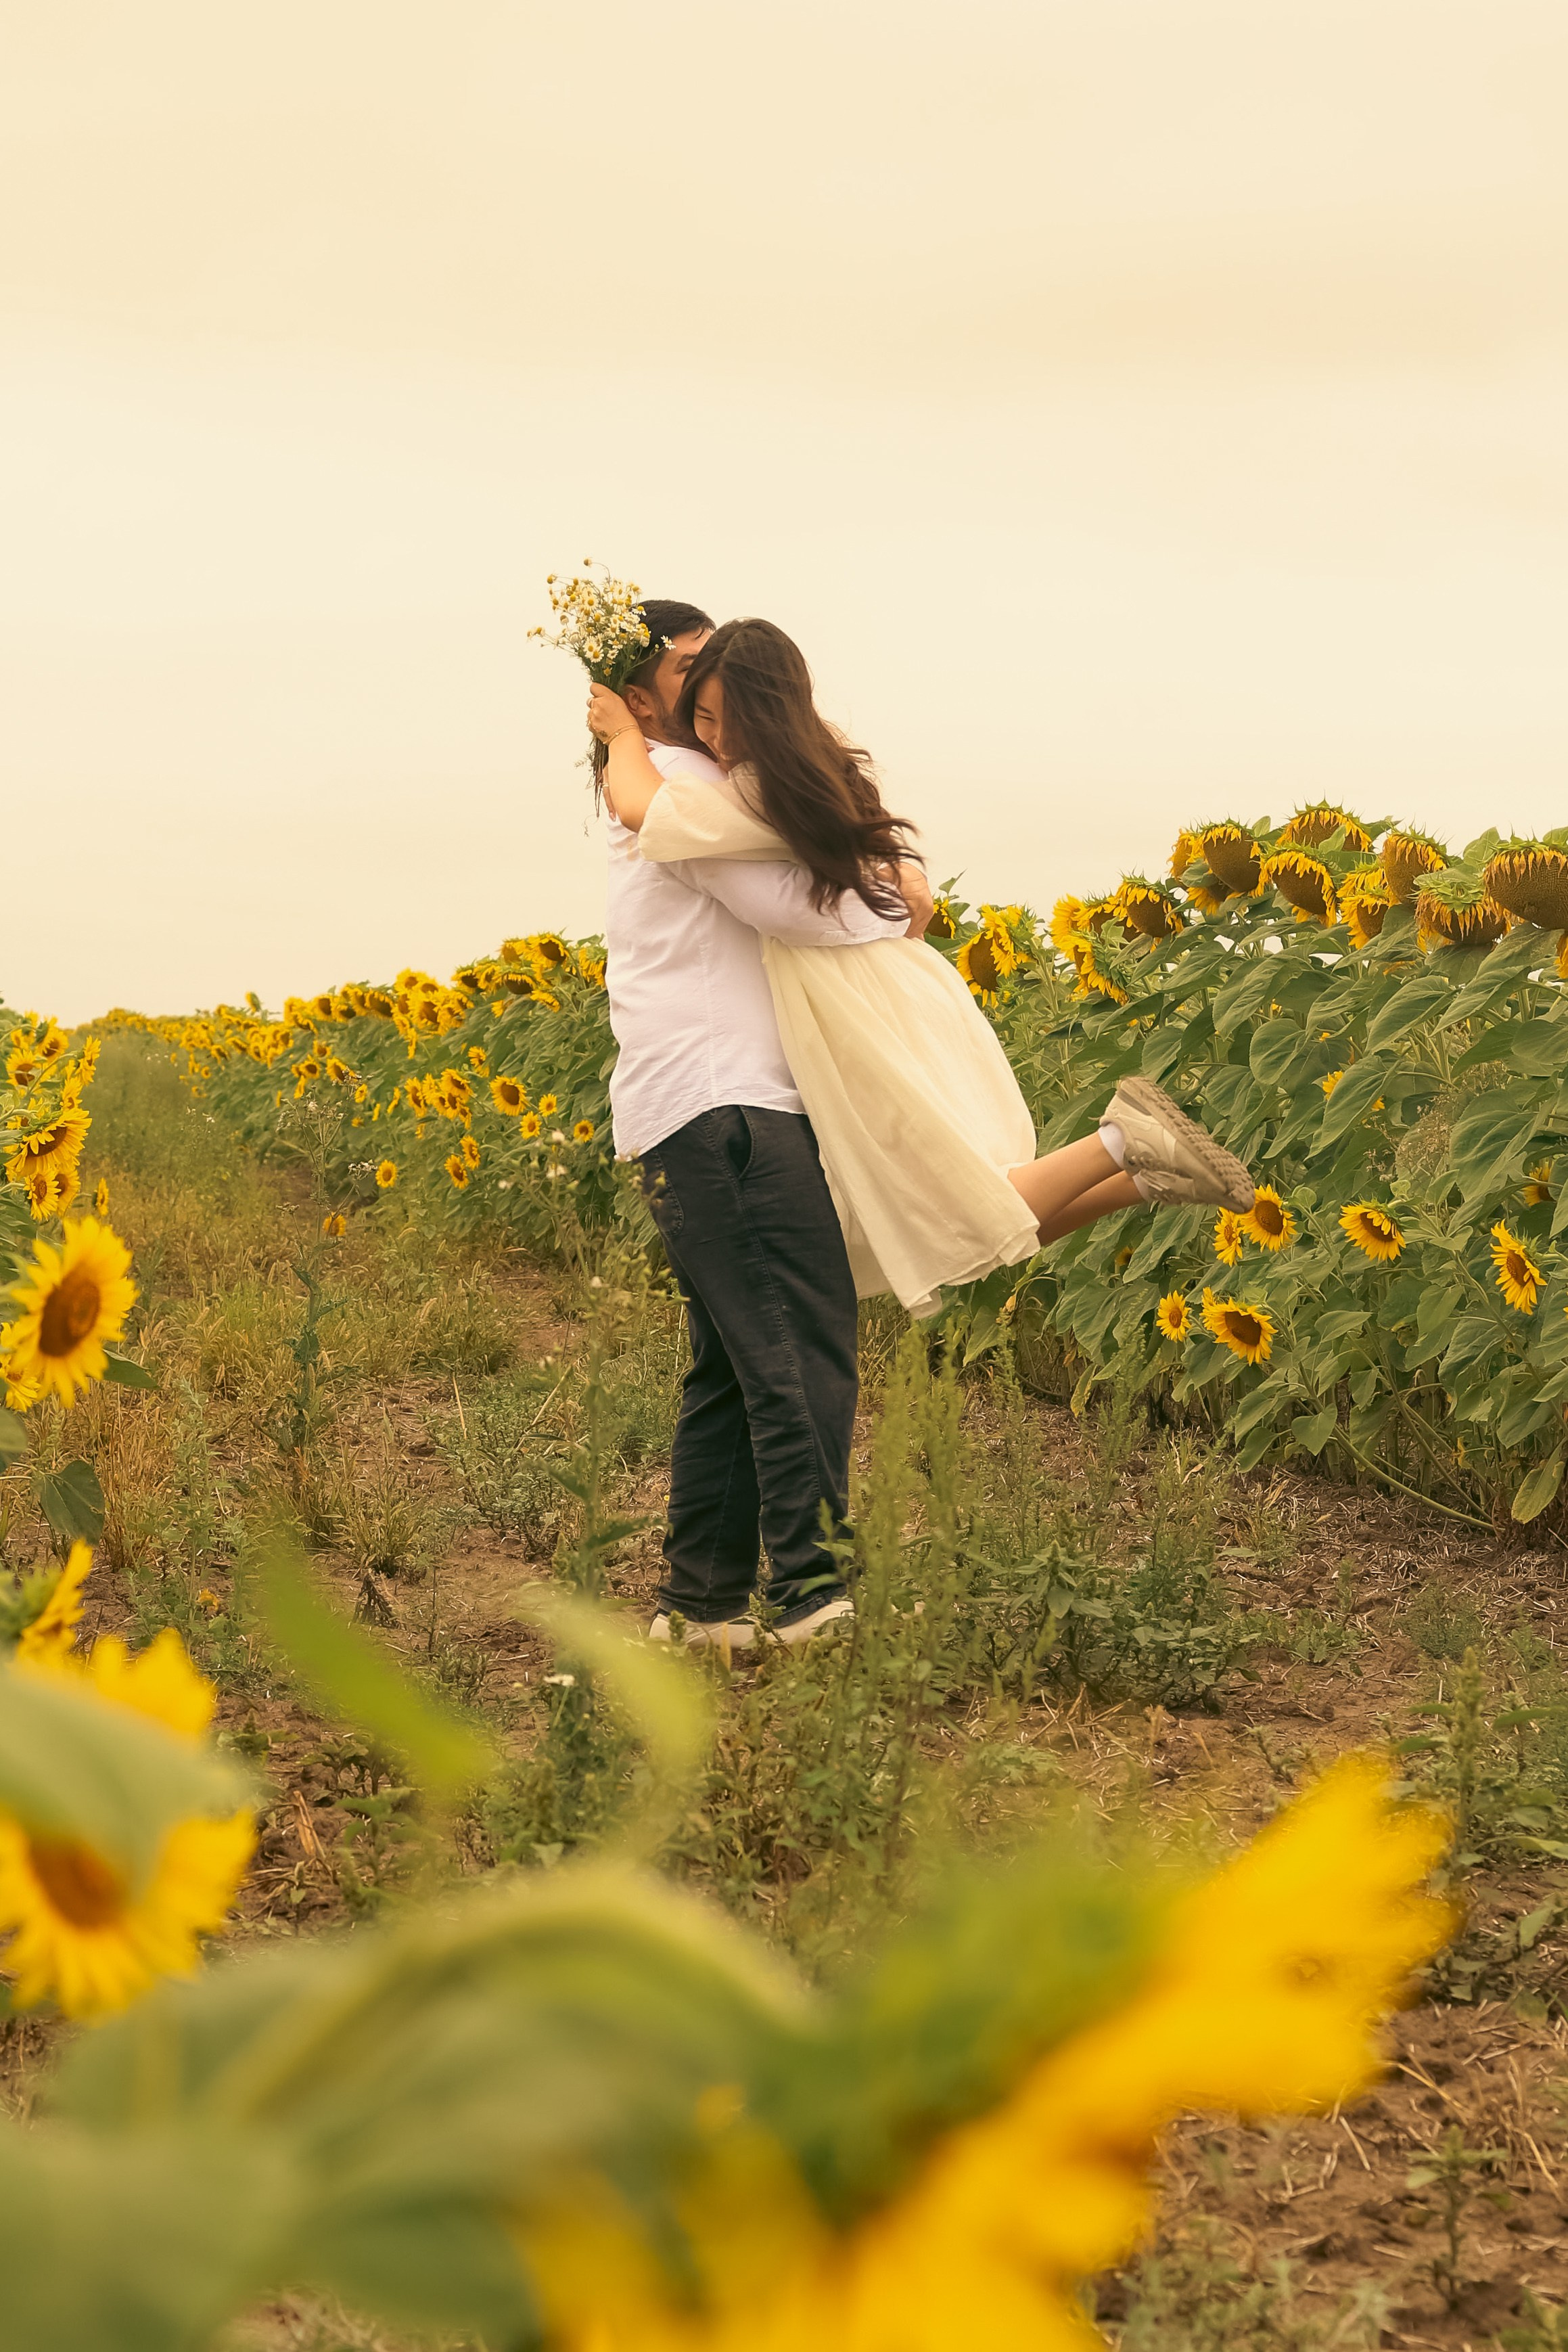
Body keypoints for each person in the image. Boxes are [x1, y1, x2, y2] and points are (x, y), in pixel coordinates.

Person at [588, 616, 1255, 1324]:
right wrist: (899, 892)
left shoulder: (741, 793)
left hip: (854, 1008)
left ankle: (1120, 1141)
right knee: (923, 1216)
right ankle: (1140, 1174)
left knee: (931, 1214)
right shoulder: (810, 773)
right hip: (891, 986)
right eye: (700, 712)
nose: (714, 737)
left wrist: (621, 738)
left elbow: (652, 814)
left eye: (723, 714)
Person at [595, 600, 931, 1655]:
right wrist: (899, 901)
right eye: (687, 670)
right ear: (637, 694)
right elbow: (797, 908)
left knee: (738, 1366)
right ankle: (808, 1600)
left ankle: (700, 1609)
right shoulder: (683, 785)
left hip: (690, 1106)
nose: (709, 693)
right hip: (725, 1103)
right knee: (799, 1345)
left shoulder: (654, 783)